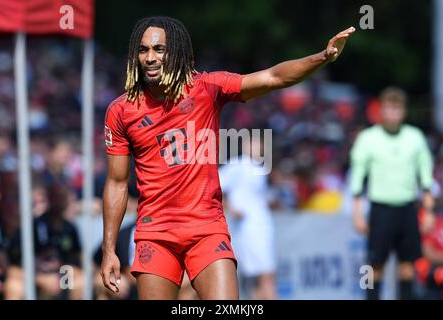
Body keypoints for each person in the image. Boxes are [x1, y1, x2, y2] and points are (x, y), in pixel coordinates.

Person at [101, 16, 355, 300]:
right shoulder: (120, 111)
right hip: (155, 234)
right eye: (143, 49)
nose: (150, 57)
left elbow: (273, 77)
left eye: (159, 49)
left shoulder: (208, 88)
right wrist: (109, 249)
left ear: (177, 53)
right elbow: (117, 182)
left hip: (207, 229)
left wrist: (322, 57)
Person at [350, 87, 436, 300]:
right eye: (388, 108)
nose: (392, 113)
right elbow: (358, 177)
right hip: (381, 208)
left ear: (403, 112)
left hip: (407, 207)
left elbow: (425, 175)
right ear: (382, 110)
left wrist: (429, 209)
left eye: (397, 108)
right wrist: (358, 212)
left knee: (407, 266)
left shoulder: (414, 137)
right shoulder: (368, 138)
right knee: (374, 266)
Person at [219, 135, 277, 299]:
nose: (258, 147)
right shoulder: (238, 164)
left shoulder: (260, 168)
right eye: (255, 143)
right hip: (248, 228)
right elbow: (216, 185)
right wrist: (230, 207)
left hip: (260, 224)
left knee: (260, 276)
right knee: (265, 275)